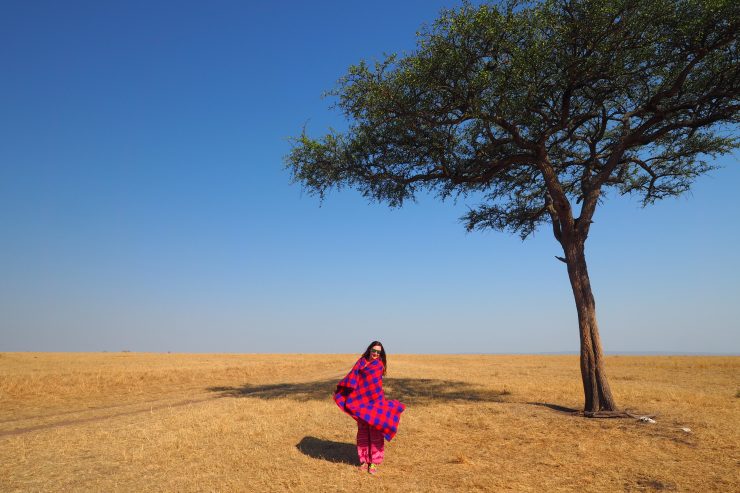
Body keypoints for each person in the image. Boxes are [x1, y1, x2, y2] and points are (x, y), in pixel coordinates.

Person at [333, 341, 406, 474]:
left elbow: (375, 386)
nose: (376, 354)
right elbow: (352, 378)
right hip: (360, 403)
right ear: (369, 350)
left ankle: (374, 462)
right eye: (374, 351)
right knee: (362, 432)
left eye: (379, 352)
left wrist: (376, 401)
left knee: (375, 432)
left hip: (374, 403)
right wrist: (346, 391)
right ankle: (364, 460)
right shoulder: (360, 362)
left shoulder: (378, 366)